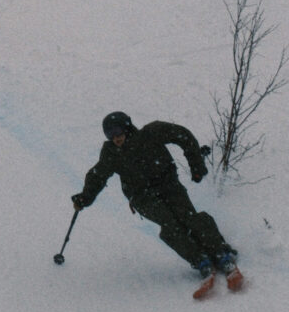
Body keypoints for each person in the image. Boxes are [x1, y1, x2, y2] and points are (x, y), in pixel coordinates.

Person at [70, 111, 241, 288]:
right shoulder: (111, 152)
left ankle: (220, 252)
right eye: (109, 134)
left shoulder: (151, 133)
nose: (115, 137)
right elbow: (97, 175)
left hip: (168, 184)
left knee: (188, 216)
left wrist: (196, 164)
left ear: (127, 127)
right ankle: (199, 260)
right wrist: (84, 197)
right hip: (141, 196)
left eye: (117, 131)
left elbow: (183, 135)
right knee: (170, 225)